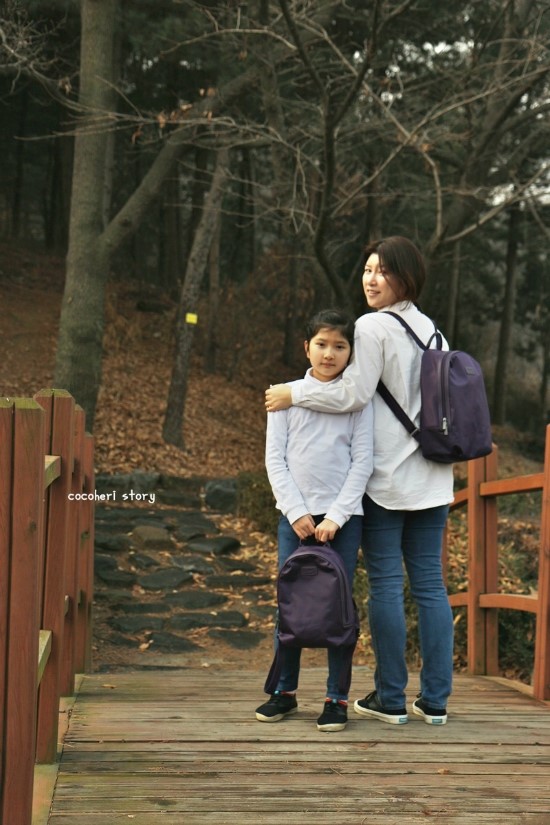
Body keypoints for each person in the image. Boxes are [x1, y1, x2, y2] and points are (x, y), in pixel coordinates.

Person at [265, 236, 455, 726]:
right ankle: (435, 700)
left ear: (405, 277)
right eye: (368, 269)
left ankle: (391, 698)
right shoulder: (433, 331)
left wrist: (292, 394)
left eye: (382, 271)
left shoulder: (372, 326)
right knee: (431, 586)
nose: (371, 279)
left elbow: (351, 396)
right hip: (434, 475)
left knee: (387, 584)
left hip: (388, 477)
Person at [255, 309, 374, 733]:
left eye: (339, 346)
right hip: (295, 520)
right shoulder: (284, 397)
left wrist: (336, 517)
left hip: (343, 521)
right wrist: (296, 511)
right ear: (307, 347)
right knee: (290, 603)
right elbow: (275, 460)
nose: (329, 353)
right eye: (322, 344)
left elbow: (362, 462)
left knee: (338, 608)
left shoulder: (357, 400)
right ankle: (283, 691)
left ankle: (335, 698)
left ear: (350, 353)